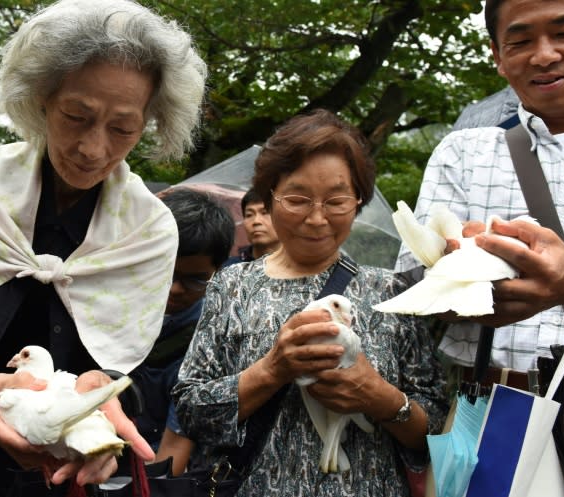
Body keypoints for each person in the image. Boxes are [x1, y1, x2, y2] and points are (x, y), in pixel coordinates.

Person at [0, 0, 207, 495]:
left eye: (123, 128)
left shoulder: (147, 231)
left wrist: (103, 400)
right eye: (77, 116)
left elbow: (131, 364)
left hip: (71, 467)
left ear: (150, 121)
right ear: (41, 98)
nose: (93, 148)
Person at [173, 109, 448, 496]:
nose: (317, 219)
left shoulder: (391, 292)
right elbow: (191, 411)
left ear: (358, 201)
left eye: (336, 201)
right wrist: (272, 369)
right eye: (298, 199)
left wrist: (380, 397)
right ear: (269, 198)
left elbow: (435, 426)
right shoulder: (232, 286)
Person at [395, 0, 564, 376]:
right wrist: (467, 267)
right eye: (520, 41)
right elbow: (414, 286)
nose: (543, 56)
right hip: (491, 408)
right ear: (498, 56)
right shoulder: (461, 153)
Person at [130, 187, 235, 476]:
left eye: (195, 279)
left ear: (218, 271)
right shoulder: (110, 309)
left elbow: (175, 449)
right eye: (165, 271)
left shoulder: (210, 335)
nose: (176, 288)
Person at [224, 188, 280, 266]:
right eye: (249, 215)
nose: (256, 221)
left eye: (265, 213)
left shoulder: (299, 268)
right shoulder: (229, 268)